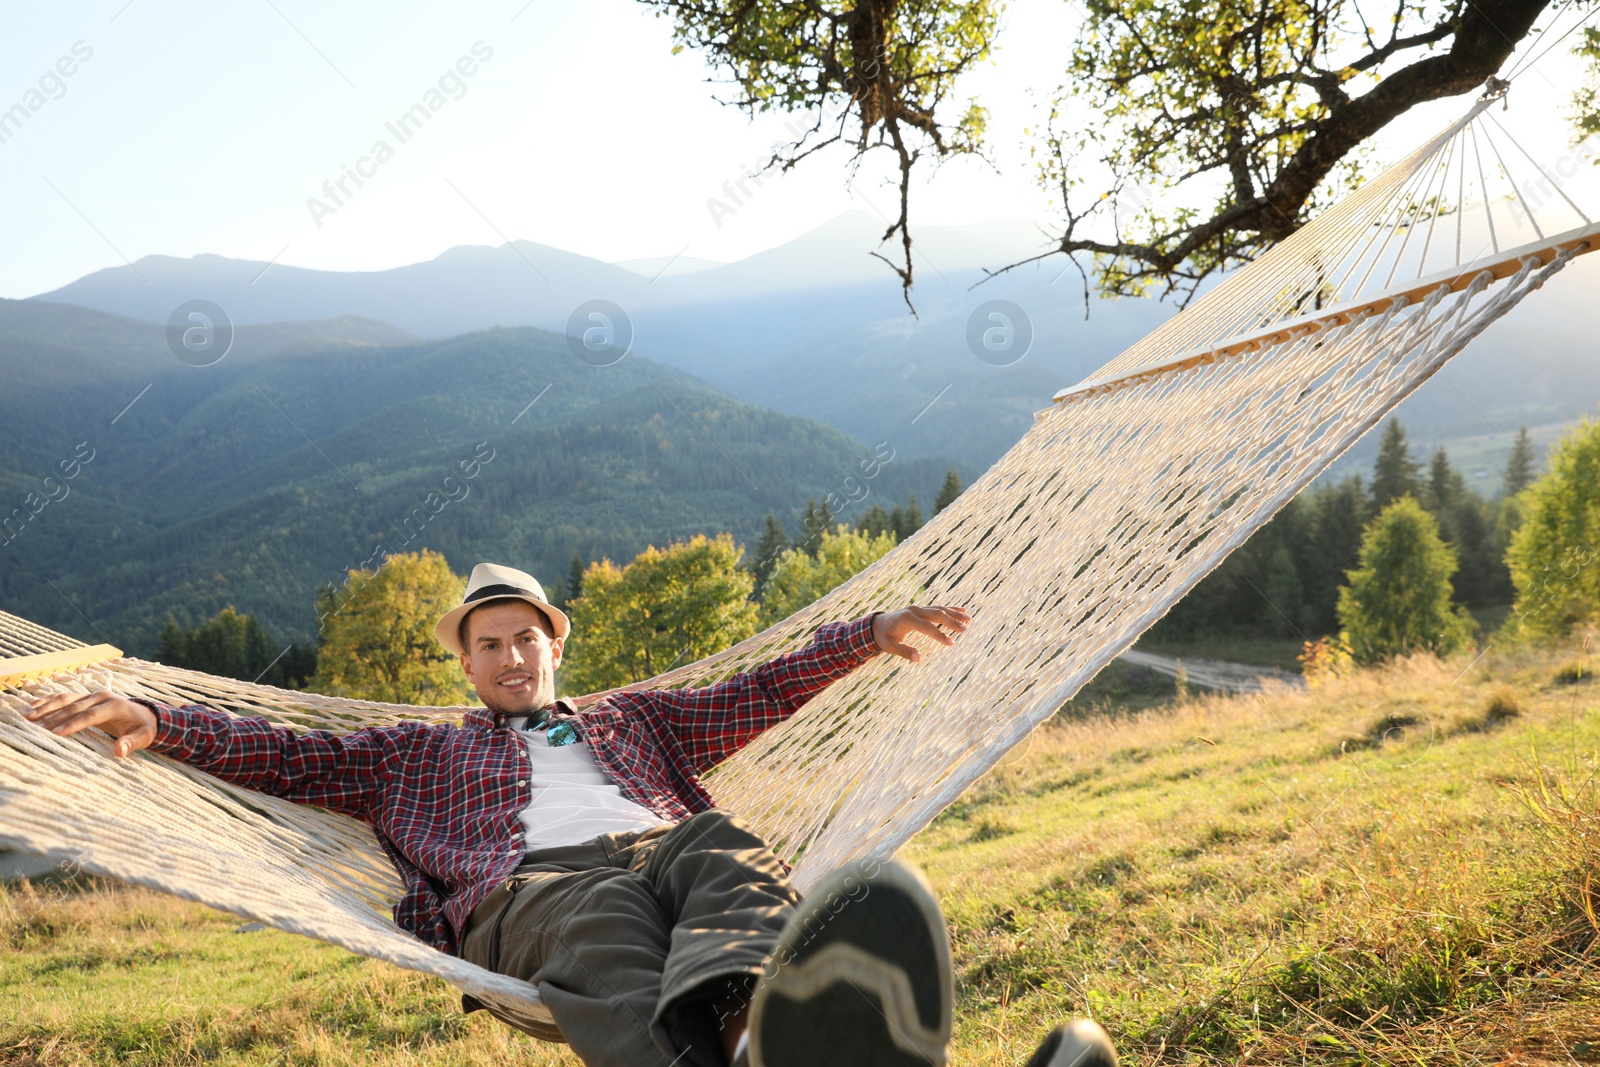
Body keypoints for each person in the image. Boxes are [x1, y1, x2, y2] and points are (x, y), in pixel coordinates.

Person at [26, 562, 1118, 1067]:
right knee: (598, 917)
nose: (511, 655)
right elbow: (279, 750)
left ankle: (756, 1042)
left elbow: (759, 689)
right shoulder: (409, 752)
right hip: (524, 894)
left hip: (659, 847)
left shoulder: (637, 718)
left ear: (557, 644)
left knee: (722, 848)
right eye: (488, 642)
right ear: (464, 659)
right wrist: (160, 718)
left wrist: (866, 631)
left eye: (527, 637)